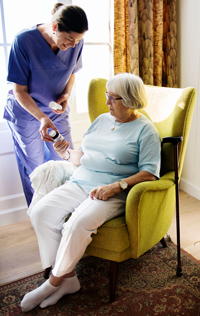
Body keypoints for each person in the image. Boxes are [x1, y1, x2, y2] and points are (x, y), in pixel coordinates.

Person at [21, 73, 161, 312]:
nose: (107, 103)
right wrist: (64, 152)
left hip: (111, 191)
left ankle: (52, 283)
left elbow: (150, 172)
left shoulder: (145, 131)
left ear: (129, 100)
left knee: (77, 224)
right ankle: (69, 280)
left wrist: (116, 186)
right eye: (107, 96)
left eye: (112, 98)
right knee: (41, 213)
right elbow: (84, 157)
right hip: (81, 180)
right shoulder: (101, 121)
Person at [3, 3, 88, 206]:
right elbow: (19, 91)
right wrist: (42, 117)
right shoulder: (24, 41)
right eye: (69, 39)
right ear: (55, 27)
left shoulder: (76, 43)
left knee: (66, 160)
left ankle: (67, 211)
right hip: (26, 112)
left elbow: (72, 73)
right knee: (36, 167)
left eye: (78, 40)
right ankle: (40, 216)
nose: (73, 45)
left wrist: (67, 94)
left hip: (56, 110)